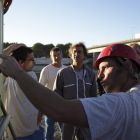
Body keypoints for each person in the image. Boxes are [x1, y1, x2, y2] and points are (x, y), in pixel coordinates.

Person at [0, 43, 140, 140]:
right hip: (75, 119)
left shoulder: (120, 104)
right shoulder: (62, 73)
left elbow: (60, 109)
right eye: (100, 69)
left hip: (82, 116)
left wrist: (17, 73)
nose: (99, 75)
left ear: (127, 65)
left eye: (105, 68)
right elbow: (56, 94)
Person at [53, 42, 97, 140]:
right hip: (68, 118)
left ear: (84, 55)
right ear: (71, 55)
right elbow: (56, 95)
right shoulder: (62, 73)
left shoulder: (91, 74)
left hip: (86, 117)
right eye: (74, 52)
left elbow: (94, 97)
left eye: (79, 52)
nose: (76, 54)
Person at [2, 44, 45, 140]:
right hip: (16, 135)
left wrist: (38, 119)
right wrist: (11, 48)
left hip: (34, 131)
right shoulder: (7, 77)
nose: (35, 62)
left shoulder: (32, 75)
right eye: (31, 60)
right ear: (21, 62)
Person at [39, 47, 65, 140]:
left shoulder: (66, 69)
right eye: (54, 55)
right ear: (51, 57)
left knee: (65, 130)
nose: (57, 57)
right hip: (50, 105)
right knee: (49, 130)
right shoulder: (46, 70)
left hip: (63, 105)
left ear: (62, 55)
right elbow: (40, 88)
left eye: (58, 55)